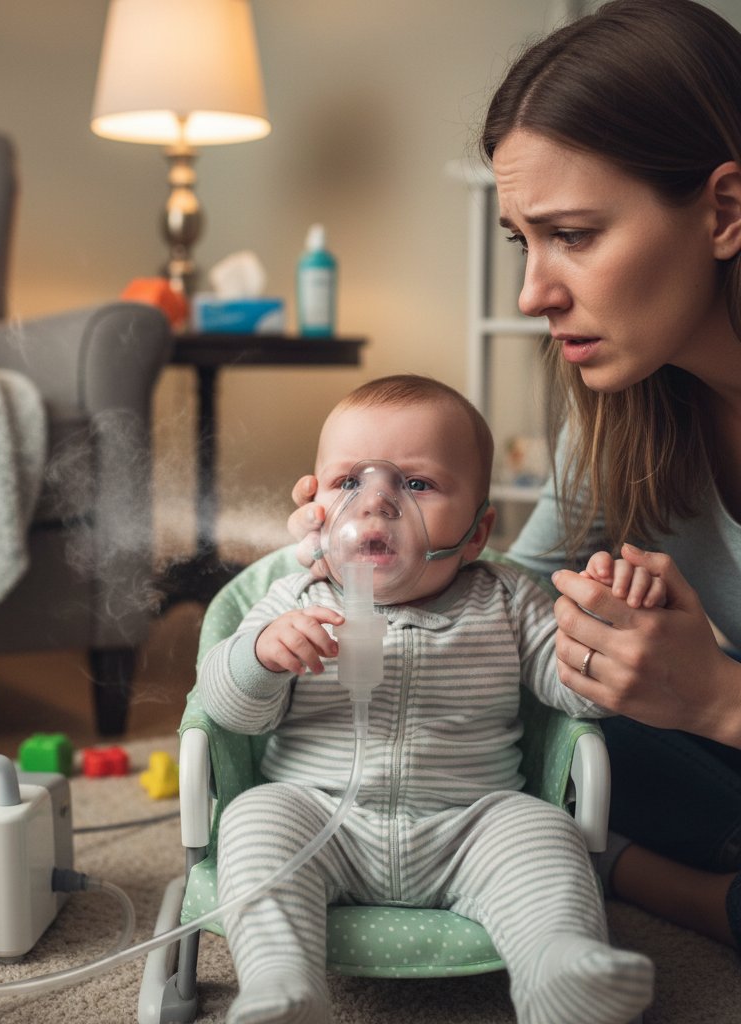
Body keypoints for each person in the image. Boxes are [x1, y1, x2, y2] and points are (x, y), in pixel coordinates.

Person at [289, 0, 741, 952]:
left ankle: (648, 877)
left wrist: (714, 698)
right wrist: (384, 554)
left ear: (725, 210)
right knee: (507, 700)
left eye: (572, 234)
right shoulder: (626, 400)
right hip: (703, 770)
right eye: (521, 241)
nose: (534, 291)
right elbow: (509, 606)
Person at [201, 374, 654, 1024]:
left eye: (415, 484)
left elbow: (578, 697)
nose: (376, 503)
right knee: (253, 819)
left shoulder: (506, 599)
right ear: (315, 505)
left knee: (541, 831)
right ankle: (283, 986)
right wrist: (261, 657)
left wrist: (609, 636)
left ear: (476, 532)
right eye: (348, 482)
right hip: (322, 819)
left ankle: (561, 969)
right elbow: (227, 712)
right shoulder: (298, 598)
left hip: (470, 825)